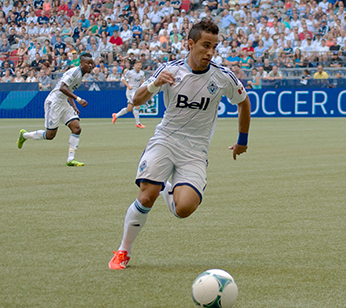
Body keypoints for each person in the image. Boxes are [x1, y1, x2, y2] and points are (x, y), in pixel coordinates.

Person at [108, 19, 251, 270]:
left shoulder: (221, 76)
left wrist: (242, 140)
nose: (210, 52)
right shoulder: (169, 70)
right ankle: (123, 251)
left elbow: (244, 102)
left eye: (214, 47)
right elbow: (137, 99)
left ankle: (167, 187)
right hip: (165, 140)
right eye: (205, 45)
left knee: (183, 209)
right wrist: (155, 84)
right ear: (190, 43)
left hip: (195, 150)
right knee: (146, 195)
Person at [17, 53, 95, 167]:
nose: (90, 66)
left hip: (63, 103)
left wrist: (73, 106)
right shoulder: (75, 72)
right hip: (53, 103)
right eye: (88, 63)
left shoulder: (80, 75)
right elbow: (63, 87)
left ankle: (70, 159)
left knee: (76, 128)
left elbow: (68, 90)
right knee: (50, 135)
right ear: (81, 63)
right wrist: (78, 100)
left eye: (91, 64)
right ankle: (25, 135)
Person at [112, 61, 147, 128]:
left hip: (137, 90)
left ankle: (115, 115)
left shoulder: (142, 73)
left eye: (140, 65)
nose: (139, 67)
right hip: (130, 91)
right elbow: (122, 79)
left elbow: (142, 81)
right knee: (137, 106)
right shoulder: (130, 72)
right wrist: (128, 86)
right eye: (138, 65)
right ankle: (138, 123)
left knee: (129, 108)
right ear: (134, 65)